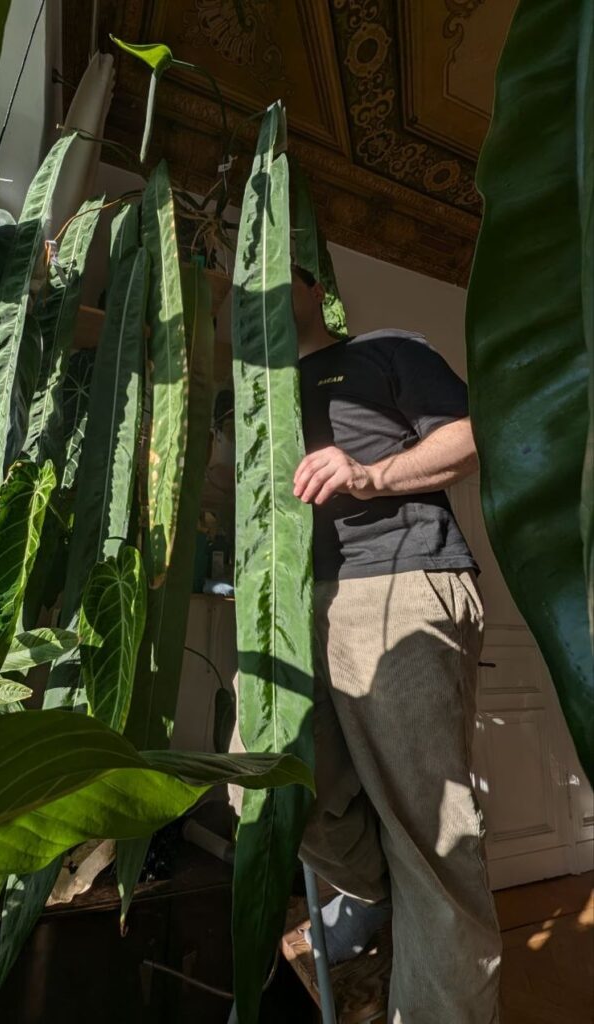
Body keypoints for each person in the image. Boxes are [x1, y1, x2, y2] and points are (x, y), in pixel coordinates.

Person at [232, 264, 502, 1024]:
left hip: (400, 584)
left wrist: (370, 473)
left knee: (434, 840)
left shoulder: (382, 353)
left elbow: (474, 434)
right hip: (285, 607)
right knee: (259, 781)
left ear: (316, 287)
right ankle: (399, 899)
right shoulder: (255, 399)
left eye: (275, 276)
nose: (252, 293)